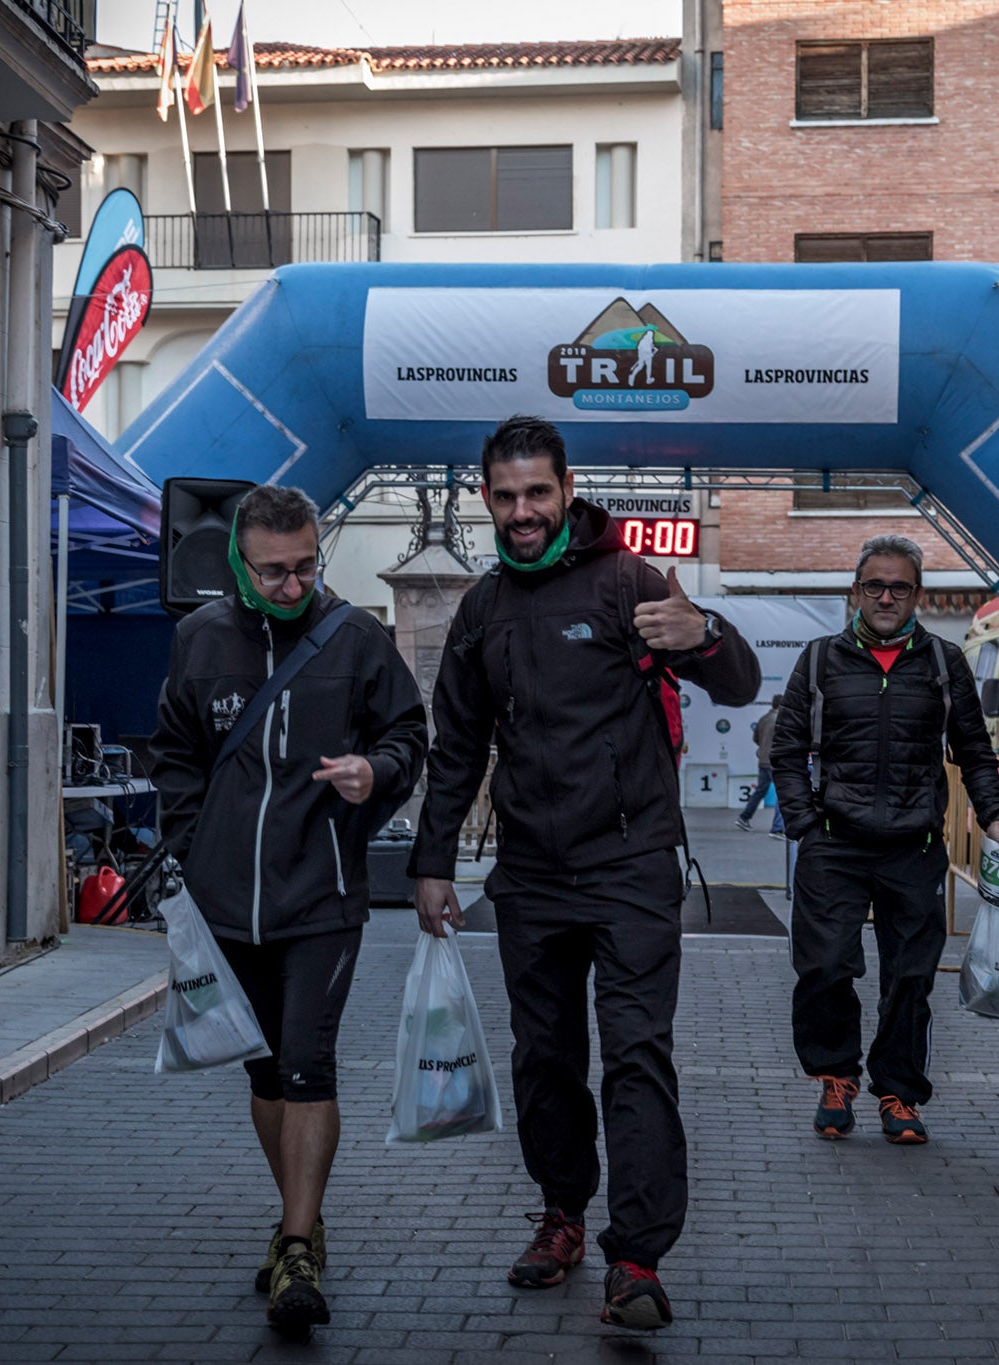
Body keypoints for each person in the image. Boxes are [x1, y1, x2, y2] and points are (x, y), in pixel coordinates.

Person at [409, 415, 760, 1330]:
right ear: (487, 497)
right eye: (506, 495)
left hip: (633, 865)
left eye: (538, 493)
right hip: (529, 875)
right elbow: (457, 745)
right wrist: (433, 862)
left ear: (568, 490)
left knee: (637, 1054)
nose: (523, 511)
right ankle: (563, 1211)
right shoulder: (483, 609)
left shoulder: (630, 582)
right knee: (546, 1059)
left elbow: (739, 683)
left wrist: (707, 629)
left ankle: (637, 1257)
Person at [148, 484, 427, 1337]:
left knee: (309, 1063)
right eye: (273, 570)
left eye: (306, 564)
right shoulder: (198, 639)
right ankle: (296, 1217)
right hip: (227, 904)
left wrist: (373, 774)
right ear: (239, 559)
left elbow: (409, 736)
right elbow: (176, 755)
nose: (291, 583)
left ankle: (299, 1246)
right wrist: (196, 854)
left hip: (325, 895)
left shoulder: (358, 639)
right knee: (264, 1072)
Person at [769, 535, 999, 1146]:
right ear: (855, 590)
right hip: (834, 844)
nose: (885, 596)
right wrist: (804, 823)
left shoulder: (942, 662)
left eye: (898, 587)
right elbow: (786, 749)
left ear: (916, 596)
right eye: (874, 585)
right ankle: (836, 1076)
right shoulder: (821, 659)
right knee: (825, 966)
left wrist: (996, 818)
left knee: (910, 976)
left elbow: (975, 753)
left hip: (914, 846)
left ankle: (899, 1092)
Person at [735, 699, 786, 836]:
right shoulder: (780, 720)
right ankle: (777, 828)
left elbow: (755, 738)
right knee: (783, 793)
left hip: (763, 760)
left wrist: (764, 748)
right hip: (774, 761)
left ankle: (744, 817)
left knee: (760, 791)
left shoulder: (764, 718)